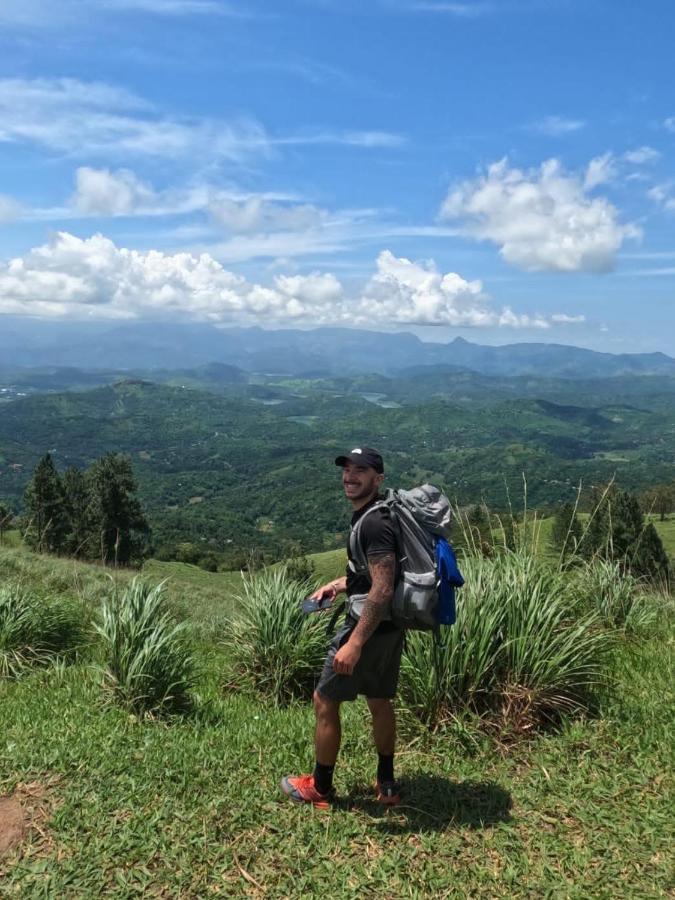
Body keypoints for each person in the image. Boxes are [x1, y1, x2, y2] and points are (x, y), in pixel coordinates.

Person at [281, 447, 404, 809]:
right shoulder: (377, 514)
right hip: (389, 627)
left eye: (360, 470)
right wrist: (338, 586)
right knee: (379, 700)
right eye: (347, 469)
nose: (350, 476)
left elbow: (382, 587)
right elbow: (372, 578)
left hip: (366, 626)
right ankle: (387, 784)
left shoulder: (373, 522)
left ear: (378, 478)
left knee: (324, 699)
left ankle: (319, 787)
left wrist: (354, 643)